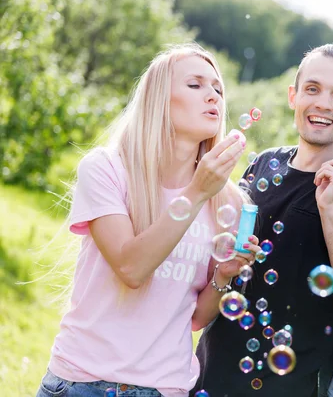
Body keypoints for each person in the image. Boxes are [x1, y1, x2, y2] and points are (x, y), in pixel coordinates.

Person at [191, 44, 333, 397]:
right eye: (312, 89)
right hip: (211, 374)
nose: (323, 104)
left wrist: (329, 211)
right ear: (293, 96)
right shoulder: (264, 164)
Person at [36, 43, 261, 397]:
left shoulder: (225, 200)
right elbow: (131, 268)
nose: (213, 96)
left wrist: (223, 275)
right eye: (195, 85)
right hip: (81, 383)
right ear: (159, 98)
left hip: (163, 388)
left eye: (217, 88)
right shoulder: (107, 170)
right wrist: (197, 191)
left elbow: (196, 317)